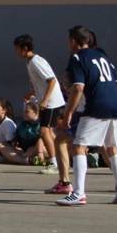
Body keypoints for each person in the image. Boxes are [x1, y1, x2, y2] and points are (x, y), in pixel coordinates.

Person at [56, 25, 117, 206]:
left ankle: (78, 193)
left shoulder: (77, 58)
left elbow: (78, 87)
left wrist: (68, 113)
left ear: (74, 42)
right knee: (111, 147)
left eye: (69, 40)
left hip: (97, 105)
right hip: (116, 104)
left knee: (78, 146)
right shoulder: (102, 55)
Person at [14, 34, 70, 193]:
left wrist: (44, 100)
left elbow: (52, 80)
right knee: (55, 133)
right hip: (49, 101)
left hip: (52, 102)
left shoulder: (36, 61)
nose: (16, 52)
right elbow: (40, 82)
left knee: (45, 131)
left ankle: (53, 162)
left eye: (17, 48)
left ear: (25, 48)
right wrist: (31, 93)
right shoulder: (30, 62)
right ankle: (59, 160)